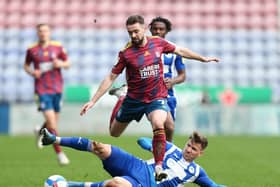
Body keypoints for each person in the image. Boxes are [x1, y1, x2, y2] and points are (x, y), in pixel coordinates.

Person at [80, 15, 219, 180]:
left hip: (156, 97)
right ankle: (121, 98)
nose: (133, 36)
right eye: (130, 32)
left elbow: (180, 50)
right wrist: (93, 100)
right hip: (133, 99)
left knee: (159, 124)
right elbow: (111, 77)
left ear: (144, 28)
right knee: (114, 133)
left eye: (136, 31)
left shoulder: (158, 43)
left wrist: (202, 58)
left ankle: (159, 167)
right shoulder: (126, 53)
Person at [41, 128, 227, 187]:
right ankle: (54, 139)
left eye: (193, 149)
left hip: (146, 184)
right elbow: (142, 140)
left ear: (200, 153)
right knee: (101, 147)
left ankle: (70, 184)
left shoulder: (196, 172)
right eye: (188, 145)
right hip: (136, 164)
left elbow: (214, 186)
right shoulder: (171, 148)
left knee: (116, 184)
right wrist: (151, 145)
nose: (188, 150)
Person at [108, 17, 186, 142]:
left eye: (161, 29)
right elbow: (130, 70)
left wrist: (173, 81)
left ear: (167, 31)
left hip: (167, 90)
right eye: (155, 29)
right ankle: (162, 157)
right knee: (164, 125)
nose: (158, 32)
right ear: (149, 29)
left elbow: (182, 75)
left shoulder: (173, 50)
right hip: (148, 92)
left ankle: (164, 155)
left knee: (169, 129)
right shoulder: (141, 48)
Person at [24, 23, 71, 165]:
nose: (43, 33)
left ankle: (40, 132)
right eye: (40, 31)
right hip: (41, 89)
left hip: (57, 88)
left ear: (49, 32)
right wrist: (32, 72)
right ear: (37, 33)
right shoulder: (32, 50)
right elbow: (26, 65)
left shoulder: (58, 47)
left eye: (45, 31)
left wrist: (60, 64)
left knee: (53, 123)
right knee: (52, 123)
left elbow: (68, 63)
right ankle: (60, 153)